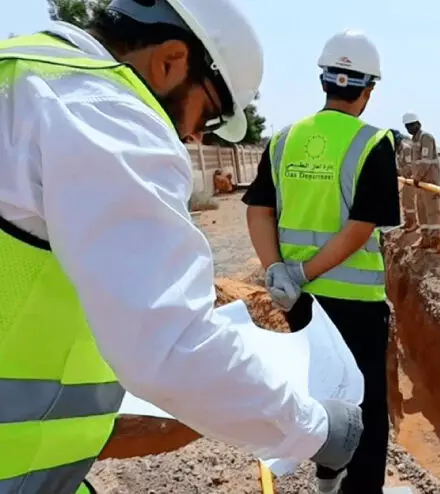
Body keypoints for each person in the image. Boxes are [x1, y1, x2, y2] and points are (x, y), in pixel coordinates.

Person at [0, 1, 362, 492]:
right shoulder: (105, 113)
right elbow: (171, 344)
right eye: (207, 115)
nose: (193, 135)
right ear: (171, 60)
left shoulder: (23, 72)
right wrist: (315, 430)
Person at [243, 29, 401, 494]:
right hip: (355, 304)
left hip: (301, 302)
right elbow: (361, 227)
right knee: (364, 407)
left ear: (324, 82)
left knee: (321, 391)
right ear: (368, 91)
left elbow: (258, 210)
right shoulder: (373, 142)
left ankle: (327, 477)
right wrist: (303, 271)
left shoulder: (284, 139)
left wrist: (277, 270)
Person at [402, 113, 440, 253]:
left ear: (418, 124)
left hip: (429, 181)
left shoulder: (426, 138)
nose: (410, 128)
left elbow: (426, 161)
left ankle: (435, 243)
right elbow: (414, 163)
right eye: (407, 126)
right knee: (422, 211)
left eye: (412, 125)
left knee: (432, 212)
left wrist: (417, 177)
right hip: (419, 183)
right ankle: (425, 240)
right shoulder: (414, 140)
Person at [393, 129, 417, 230]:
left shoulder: (406, 149)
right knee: (404, 202)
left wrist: (398, 171)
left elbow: (410, 166)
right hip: (406, 179)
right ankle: (408, 222)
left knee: (408, 202)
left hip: (412, 179)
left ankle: (413, 223)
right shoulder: (398, 150)